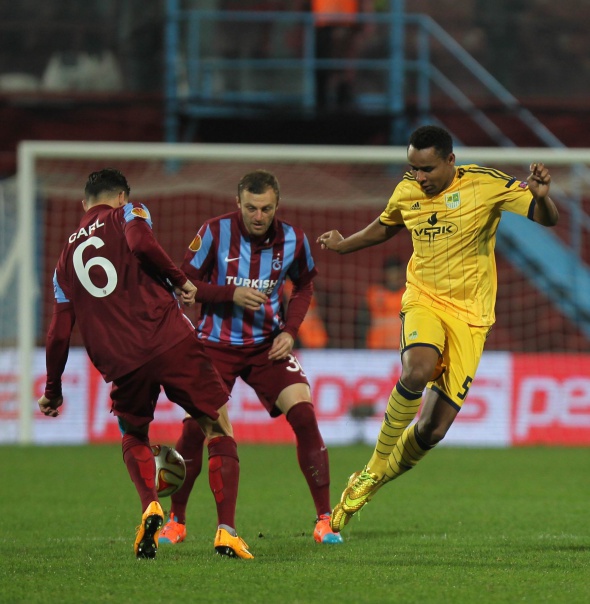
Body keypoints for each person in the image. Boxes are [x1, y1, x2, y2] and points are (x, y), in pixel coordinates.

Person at [317, 125, 559, 532]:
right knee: (417, 369)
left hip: (471, 317)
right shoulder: (407, 191)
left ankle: (374, 481)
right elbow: (387, 223)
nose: (419, 176)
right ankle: (371, 469)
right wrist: (345, 244)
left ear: (450, 160)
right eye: (413, 168)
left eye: (427, 169)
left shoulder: (485, 185)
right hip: (423, 300)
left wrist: (542, 197)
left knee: (432, 428)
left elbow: (545, 218)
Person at [37, 168, 253, 560]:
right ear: (121, 196)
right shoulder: (128, 212)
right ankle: (226, 531)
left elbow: (58, 333)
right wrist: (180, 281)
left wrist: (52, 390)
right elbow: (140, 243)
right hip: (167, 338)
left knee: (134, 433)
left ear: (84, 204)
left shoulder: (63, 263)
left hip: (120, 361)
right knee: (217, 426)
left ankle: (150, 505)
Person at [159, 169, 343, 546]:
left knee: (304, 415)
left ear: (277, 205)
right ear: (237, 203)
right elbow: (183, 284)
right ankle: (176, 520)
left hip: (267, 346)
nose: (258, 216)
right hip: (214, 345)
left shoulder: (293, 239)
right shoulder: (213, 233)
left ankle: (326, 520)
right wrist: (231, 294)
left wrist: (290, 331)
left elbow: (304, 285)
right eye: (251, 208)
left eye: (266, 209)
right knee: (195, 429)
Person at [355, 255, 405, 348]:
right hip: (376, 348)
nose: (394, 277)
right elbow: (362, 322)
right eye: (391, 273)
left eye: (397, 273)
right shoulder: (373, 293)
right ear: (385, 274)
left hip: (402, 348)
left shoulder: (408, 294)